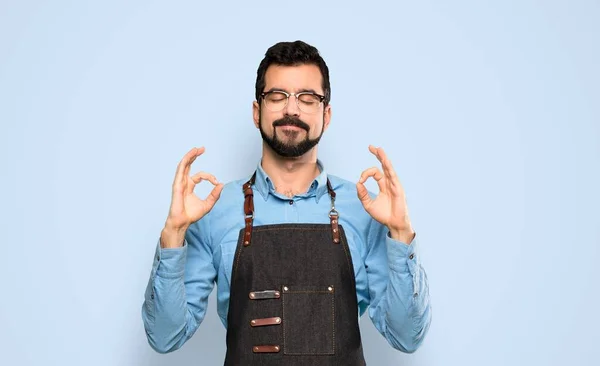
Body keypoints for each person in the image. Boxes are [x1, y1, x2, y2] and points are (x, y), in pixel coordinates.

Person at [142, 40, 431, 365]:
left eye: (307, 98)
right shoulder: (214, 210)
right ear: (257, 111)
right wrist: (173, 235)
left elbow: (407, 336)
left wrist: (402, 234)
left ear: (327, 114)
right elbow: (165, 337)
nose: (291, 109)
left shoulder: (365, 209)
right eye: (277, 97)